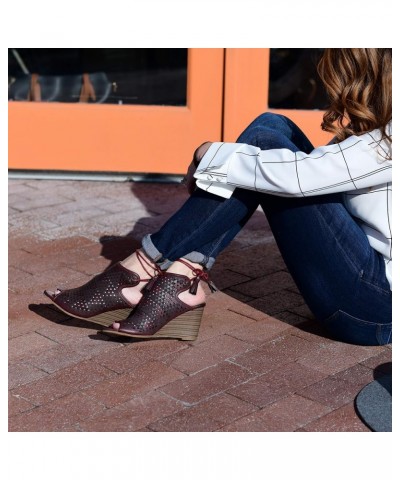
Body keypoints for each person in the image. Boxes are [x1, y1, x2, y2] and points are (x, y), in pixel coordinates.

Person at [45, 48, 392, 346]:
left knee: (263, 149)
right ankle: (181, 279)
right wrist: (220, 161)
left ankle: (144, 267)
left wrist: (208, 152)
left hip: (371, 309)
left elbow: (299, 178)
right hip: (368, 286)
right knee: (270, 128)